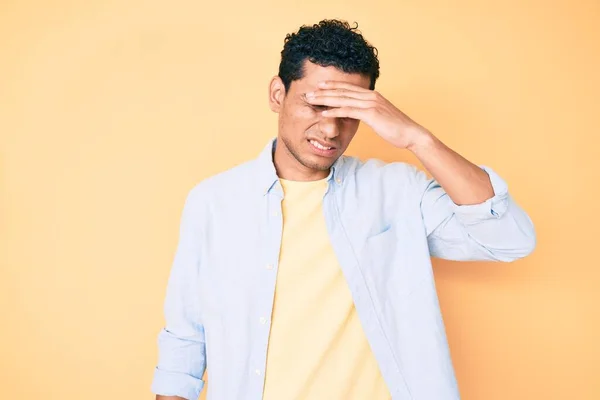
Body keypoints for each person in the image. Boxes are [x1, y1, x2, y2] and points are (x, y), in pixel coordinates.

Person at [151, 19, 536, 400]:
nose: (332, 129)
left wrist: (417, 139)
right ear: (277, 94)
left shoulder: (397, 191)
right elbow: (185, 340)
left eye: (350, 112)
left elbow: (509, 240)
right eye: (317, 105)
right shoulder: (215, 203)